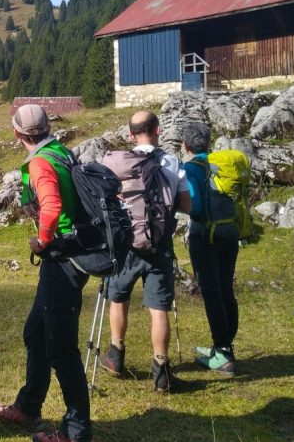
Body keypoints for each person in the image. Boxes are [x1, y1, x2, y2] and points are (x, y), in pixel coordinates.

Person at [0, 104, 93, 442]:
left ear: (17, 133)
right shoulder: (60, 151)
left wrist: (42, 240)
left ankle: (76, 431)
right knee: (36, 332)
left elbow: (51, 206)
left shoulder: (39, 162)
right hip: (71, 253)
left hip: (62, 258)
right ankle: (28, 405)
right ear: (48, 127)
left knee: (61, 347)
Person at [98, 111, 191, 393]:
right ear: (158, 130)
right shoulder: (172, 163)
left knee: (118, 299)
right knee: (159, 308)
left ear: (130, 135)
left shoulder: (116, 163)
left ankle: (115, 356)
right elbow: (187, 206)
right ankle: (161, 371)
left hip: (125, 246)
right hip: (159, 246)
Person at [181, 121, 238, 376]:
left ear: (185, 145)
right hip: (229, 232)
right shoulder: (220, 164)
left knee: (211, 292)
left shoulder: (191, 168)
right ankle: (223, 346)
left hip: (205, 235)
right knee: (226, 288)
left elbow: (194, 207)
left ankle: (223, 353)